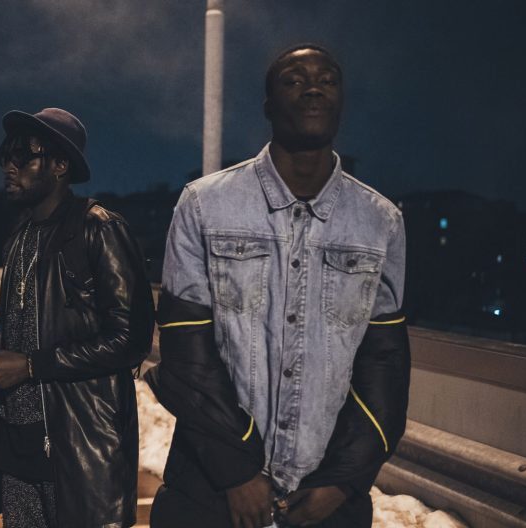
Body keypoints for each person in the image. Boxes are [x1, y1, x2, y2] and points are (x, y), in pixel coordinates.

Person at [146, 45, 411, 528]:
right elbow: (187, 353)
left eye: (327, 79)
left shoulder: (381, 222)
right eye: (293, 79)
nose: (313, 87)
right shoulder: (205, 205)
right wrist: (237, 472)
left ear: (341, 101)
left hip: (326, 498)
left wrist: (340, 482)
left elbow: (384, 366)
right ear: (268, 106)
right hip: (211, 488)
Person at [0, 108, 155, 527]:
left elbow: (130, 339)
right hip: (18, 442)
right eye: (8, 156)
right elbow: (27, 323)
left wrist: (30, 366)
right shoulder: (21, 236)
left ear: (61, 165)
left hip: (77, 445)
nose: (10, 166)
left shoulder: (99, 229)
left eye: (24, 156)